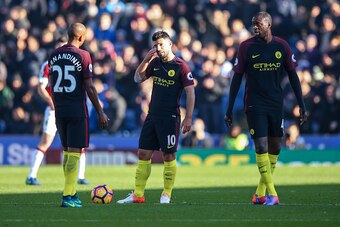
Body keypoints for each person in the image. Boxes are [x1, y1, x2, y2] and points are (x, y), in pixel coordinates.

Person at [224, 12, 307, 206]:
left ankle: (260, 193)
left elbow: (293, 76)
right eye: (253, 24)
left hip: (275, 104)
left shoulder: (282, 46)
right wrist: (228, 108)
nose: (255, 28)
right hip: (254, 103)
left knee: (275, 146)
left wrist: (302, 104)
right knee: (261, 146)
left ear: (268, 25)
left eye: (258, 24)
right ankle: (272, 193)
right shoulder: (246, 47)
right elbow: (236, 79)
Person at [117, 31, 195, 204]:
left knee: (168, 156)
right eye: (155, 46)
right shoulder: (155, 63)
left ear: (170, 44)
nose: (158, 48)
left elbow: (191, 92)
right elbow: (137, 78)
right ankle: (138, 195)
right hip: (152, 116)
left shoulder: (181, 66)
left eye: (161, 44)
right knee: (143, 153)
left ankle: (166, 193)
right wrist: (146, 59)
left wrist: (188, 118)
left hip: (170, 117)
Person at [49, 23, 109, 208]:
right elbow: (89, 86)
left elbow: (51, 83)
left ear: (68, 35)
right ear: (82, 38)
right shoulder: (83, 55)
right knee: (75, 153)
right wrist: (100, 111)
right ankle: (67, 196)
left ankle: (72, 192)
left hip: (60, 109)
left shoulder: (54, 55)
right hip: (76, 109)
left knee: (67, 151)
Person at [26, 38, 90, 186]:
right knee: (46, 142)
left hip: (68, 107)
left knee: (77, 143)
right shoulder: (48, 64)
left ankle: (80, 176)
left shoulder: (73, 62)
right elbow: (41, 88)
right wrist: (51, 102)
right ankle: (31, 176)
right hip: (55, 109)